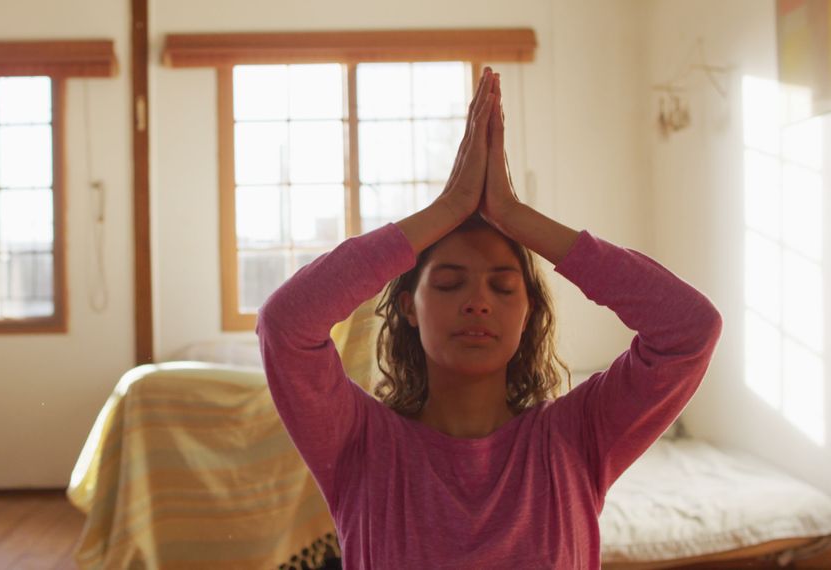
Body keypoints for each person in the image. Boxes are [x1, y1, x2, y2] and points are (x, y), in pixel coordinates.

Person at [255, 67, 723, 568]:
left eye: (503, 286)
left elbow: (689, 330)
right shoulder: (362, 443)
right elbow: (286, 326)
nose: (478, 302)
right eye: (450, 282)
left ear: (528, 314)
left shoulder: (573, 439)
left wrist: (516, 215)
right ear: (408, 307)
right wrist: (450, 206)